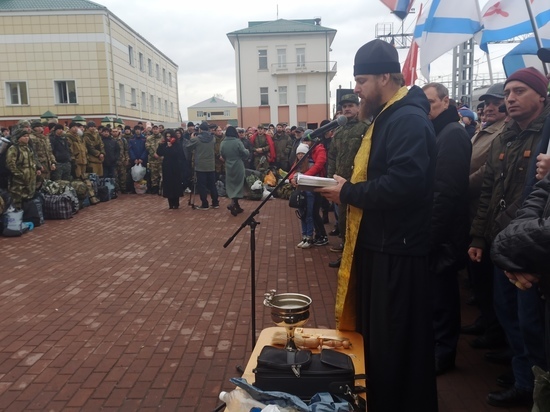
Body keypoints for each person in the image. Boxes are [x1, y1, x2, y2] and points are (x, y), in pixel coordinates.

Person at [317, 39, 438, 412]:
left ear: (385, 76)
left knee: (395, 343)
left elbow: (406, 183)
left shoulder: (406, 118)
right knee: (380, 342)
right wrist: (349, 187)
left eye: (362, 80)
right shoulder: (388, 115)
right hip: (382, 246)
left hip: (397, 252)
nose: (356, 88)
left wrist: (349, 192)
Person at [468, 67, 549, 408]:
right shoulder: (505, 136)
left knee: (530, 320)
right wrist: (479, 237)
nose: (511, 98)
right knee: (507, 311)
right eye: (509, 92)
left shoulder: (544, 136)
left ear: (541, 97)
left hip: (528, 248)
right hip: (502, 243)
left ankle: (533, 383)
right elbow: (489, 191)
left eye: (519, 91)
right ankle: (523, 377)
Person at [422, 82, 472, 375]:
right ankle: (438, 347)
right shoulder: (438, 131)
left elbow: (446, 191)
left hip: (445, 231)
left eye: (431, 102)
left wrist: (432, 235)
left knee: (443, 296)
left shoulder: (451, 133)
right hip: (440, 227)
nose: (426, 109)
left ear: (445, 101)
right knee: (436, 294)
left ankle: (444, 353)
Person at [461, 83, 508, 351]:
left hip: (487, 210)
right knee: (478, 275)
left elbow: (487, 172)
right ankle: (486, 320)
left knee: (490, 279)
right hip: (475, 211)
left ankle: (495, 331)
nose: (489, 107)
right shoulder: (485, 131)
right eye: (486, 103)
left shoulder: (502, 132)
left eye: (495, 102)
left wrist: (460, 185)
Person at [326, 94, 370, 268]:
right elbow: (332, 157)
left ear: (358, 107)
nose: (347, 109)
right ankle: (346, 255)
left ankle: (357, 258)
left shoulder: (364, 128)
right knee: (343, 221)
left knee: (357, 223)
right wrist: (330, 180)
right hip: (340, 184)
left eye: (351, 105)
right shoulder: (338, 131)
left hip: (357, 185)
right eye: (344, 106)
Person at [188, 122, 219, 210]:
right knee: (212, 184)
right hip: (211, 165)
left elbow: (188, 147)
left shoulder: (196, 139)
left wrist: (192, 138)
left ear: (200, 129)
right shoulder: (213, 138)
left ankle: (205, 203)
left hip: (200, 165)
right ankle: (215, 202)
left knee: (202, 185)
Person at [6, 129, 40, 209]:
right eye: (24, 136)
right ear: (18, 138)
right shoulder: (14, 148)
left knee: (29, 199)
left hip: (30, 180)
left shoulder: (28, 148)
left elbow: (32, 162)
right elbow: (10, 164)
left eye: (27, 136)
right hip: (19, 182)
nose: (27, 138)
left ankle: (27, 217)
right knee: (17, 201)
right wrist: (20, 175)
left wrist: (35, 170)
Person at [220, 126, 249, 216]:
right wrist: (247, 152)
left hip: (228, 165)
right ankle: (233, 203)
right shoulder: (237, 141)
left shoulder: (223, 143)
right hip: (238, 165)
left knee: (231, 184)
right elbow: (244, 152)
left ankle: (237, 205)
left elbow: (222, 154)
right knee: (239, 184)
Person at [156, 129, 185, 209]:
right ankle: (170, 203)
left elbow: (177, 154)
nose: (168, 138)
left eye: (169, 136)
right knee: (168, 184)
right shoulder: (164, 144)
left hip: (175, 166)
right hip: (167, 165)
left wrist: (170, 147)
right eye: (167, 136)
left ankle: (176, 202)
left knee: (176, 183)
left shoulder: (177, 144)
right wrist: (160, 145)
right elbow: (159, 153)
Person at [146, 125, 163, 194]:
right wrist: (153, 154)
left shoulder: (162, 137)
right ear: (152, 130)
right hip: (152, 160)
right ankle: (154, 188)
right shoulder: (149, 138)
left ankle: (161, 188)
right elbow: (148, 147)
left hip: (161, 159)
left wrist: (161, 154)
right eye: (154, 129)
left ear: (159, 130)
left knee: (161, 174)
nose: (155, 130)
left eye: (157, 129)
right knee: (153, 175)